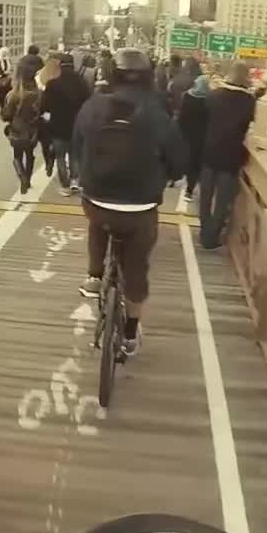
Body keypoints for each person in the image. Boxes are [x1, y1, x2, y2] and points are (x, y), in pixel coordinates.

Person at [72, 48, 188, 356]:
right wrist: (173, 174)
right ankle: (130, 334)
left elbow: (76, 144)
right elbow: (177, 157)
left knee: (97, 219)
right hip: (140, 205)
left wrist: (86, 174)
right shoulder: (156, 111)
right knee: (136, 269)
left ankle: (94, 275)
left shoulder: (93, 106)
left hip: (97, 197)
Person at [200, 62, 258, 250]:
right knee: (222, 200)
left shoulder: (213, 96)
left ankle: (204, 232)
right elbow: (252, 127)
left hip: (209, 152)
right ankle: (212, 237)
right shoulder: (249, 102)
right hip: (231, 156)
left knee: (206, 197)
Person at [41, 54, 92, 196]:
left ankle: (65, 186)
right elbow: (89, 102)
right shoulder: (82, 82)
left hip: (58, 125)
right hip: (77, 124)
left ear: (60, 66)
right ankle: (75, 181)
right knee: (75, 155)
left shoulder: (53, 84)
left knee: (60, 156)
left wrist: (46, 116)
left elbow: (44, 105)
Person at [1, 66, 42, 195]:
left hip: (16, 129)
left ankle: (22, 178)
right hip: (33, 130)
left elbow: (6, 115)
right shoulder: (39, 94)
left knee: (17, 156)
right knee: (30, 155)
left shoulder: (13, 95)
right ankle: (28, 180)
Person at [176, 75, 211, 203]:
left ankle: (174, 178)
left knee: (185, 159)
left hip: (185, 135)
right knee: (195, 165)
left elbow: (181, 117)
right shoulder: (209, 100)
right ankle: (189, 191)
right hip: (201, 137)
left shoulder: (187, 96)